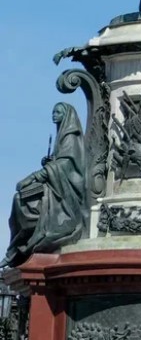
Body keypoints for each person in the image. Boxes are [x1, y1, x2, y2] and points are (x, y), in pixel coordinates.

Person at [2, 103, 88, 267]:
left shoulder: (70, 136)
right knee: (19, 199)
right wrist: (49, 162)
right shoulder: (62, 135)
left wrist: (33, 177)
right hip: (56, 184)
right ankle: (16, 248)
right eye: (53, 112)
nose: (53, 115)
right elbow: (60, 163)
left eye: (57, 112)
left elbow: (66, 166)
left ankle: (21, 247)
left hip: (65, 190)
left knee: (24, 202)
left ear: (66, 115)